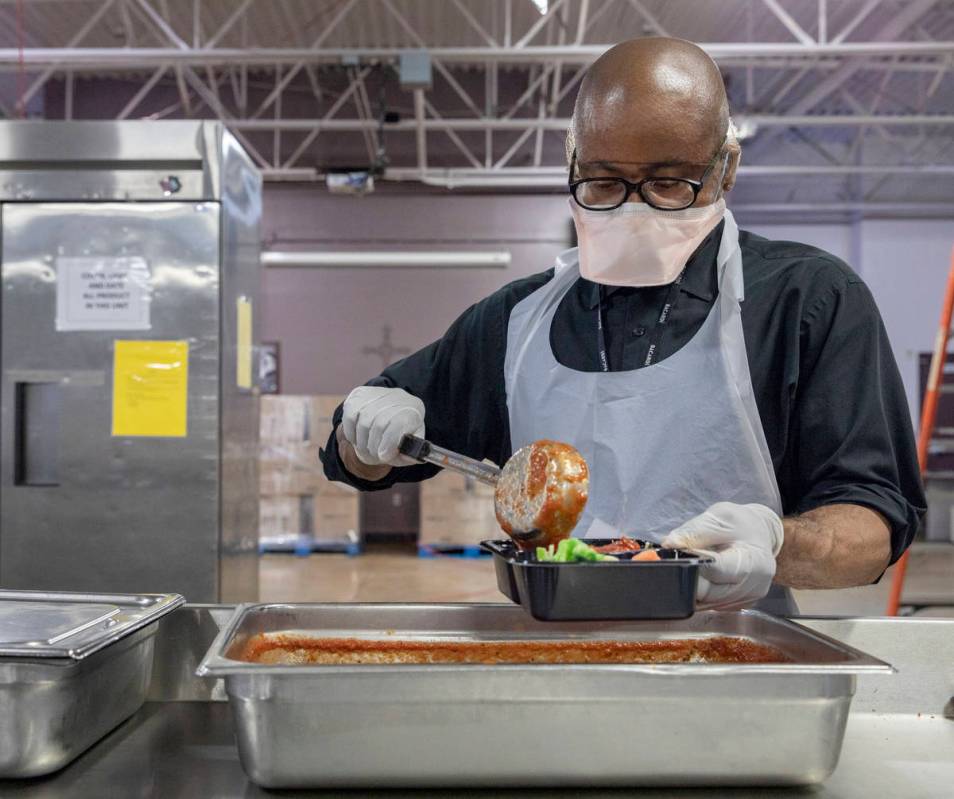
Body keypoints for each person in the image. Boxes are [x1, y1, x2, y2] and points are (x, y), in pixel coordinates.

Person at [321, 37, 925, 613]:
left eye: (669, 183)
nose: (634, 208)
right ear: (572, 160)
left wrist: (775, 544)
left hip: (737, 656)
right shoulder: (515, 324)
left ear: (726, 170)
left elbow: (874, 522)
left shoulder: (807, 302)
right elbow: (359, 460)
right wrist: (365, 432)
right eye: (604, 181)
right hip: (556, 646)